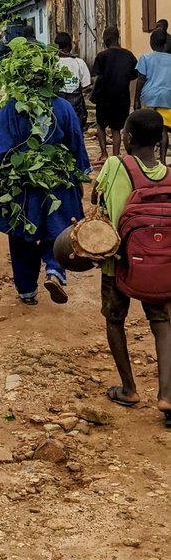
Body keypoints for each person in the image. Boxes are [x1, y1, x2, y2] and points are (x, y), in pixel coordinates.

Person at [0, 51, 91, 305]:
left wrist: (2, 172)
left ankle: (27, 291)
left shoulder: (11, 108)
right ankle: (55, 270)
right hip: (58, 182)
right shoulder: (62, 107)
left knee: (22, 235)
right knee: (59, 229)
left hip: (22, 184)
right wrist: (80, 174)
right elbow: (76, 143)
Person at [93, 109, 171, 427]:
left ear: (127, 138)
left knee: (115, 320)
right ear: (158, 142)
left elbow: (97, 200)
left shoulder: (115, 165)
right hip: (161, 265)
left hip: (117, 260)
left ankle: (128, 389)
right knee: (163, 324)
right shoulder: (169, 175)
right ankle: (167, 394)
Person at [91, 27, 137, 162]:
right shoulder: (129, 56)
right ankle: (116, 155)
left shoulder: (102, 56)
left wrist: (93, 94)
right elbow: (134, 75)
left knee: (100, 125)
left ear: (107, 40)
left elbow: (97, 78)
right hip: (122, 98)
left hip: (104, 97)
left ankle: (104, 153)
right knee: (116, 129)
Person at [135, 28, 171, 162]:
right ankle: (162, 160)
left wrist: (136, 99)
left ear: (151, 43)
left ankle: (146, 159)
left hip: (148, 97)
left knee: (146, 130)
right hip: (166, 98)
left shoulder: (145, 58)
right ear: (165, 44)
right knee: (163, 129)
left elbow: (141, 79)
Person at [55, 32, 91, 132]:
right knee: (76, 133)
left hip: (57, 106)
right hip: (76, 107)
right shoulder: (79, 63)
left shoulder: (52, 63)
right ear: (70, 45)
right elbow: (86, 84)